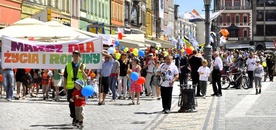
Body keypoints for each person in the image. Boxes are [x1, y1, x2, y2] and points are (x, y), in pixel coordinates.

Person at [63, 50, 87, 125]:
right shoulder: (68, 65)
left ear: (79, 57)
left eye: (77, 56)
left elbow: (85, 77)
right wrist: (64, 86)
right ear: (72, 57)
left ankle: (77, 119)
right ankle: (74, 116)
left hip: (79, 88)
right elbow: (65, 77)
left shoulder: (83, 66)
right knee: (71, 102)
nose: (75, 57)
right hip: (70, 87)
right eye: (74, 56)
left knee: (79, 104)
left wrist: (82, 71)